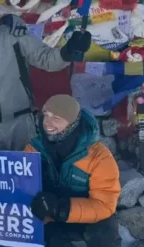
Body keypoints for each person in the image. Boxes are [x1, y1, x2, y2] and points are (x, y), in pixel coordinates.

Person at [0, 0, 92, 152]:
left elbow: (46, 59)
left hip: (21, 122)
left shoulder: (13, 36)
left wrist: (69, 51)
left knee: (28, 174)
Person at [26, 95, 121, 247]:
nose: (47, 123)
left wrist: (60, 208)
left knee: (105, 232)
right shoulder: (34, 149)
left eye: (56, 118)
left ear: (72, 123)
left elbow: (104, 205)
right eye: (46, 116)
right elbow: (22, 188)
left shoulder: (99, 156)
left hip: (88, 219)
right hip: (52, 218)